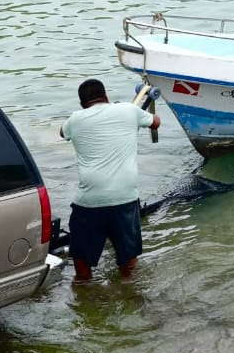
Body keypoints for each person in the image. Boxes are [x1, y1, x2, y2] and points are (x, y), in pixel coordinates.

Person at [59, 78, 160, 282]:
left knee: (82, 268)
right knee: (128, 265)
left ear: (82, 104)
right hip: (124, 198)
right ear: (106, 97)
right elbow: (156, 121)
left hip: (88, 201)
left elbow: (62, 133)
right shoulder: (128, 111)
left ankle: (84, 290)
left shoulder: (75, 119)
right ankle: (127, 286)